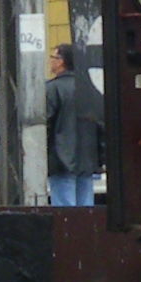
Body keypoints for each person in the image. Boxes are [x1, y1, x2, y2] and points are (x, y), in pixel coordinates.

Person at [41, 43, 106, 208]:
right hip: (88, 158)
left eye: (53, 57)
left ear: (61, 62)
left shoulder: (52, 89)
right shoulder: (89, 88)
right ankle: (87, 234)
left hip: (61, 158)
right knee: (85, 209)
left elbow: (45, 125)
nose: (50, 62)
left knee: (65, 210)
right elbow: (100, 124)